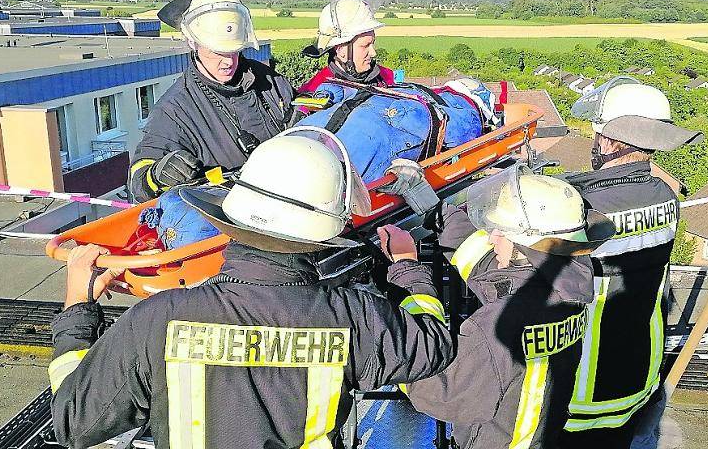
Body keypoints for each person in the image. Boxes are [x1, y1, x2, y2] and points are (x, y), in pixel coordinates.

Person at [49, 127, 455, 448]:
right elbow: (433, 345)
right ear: (328, 230)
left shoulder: (157, 320)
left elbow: (72, 422)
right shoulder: (353, 317)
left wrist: (77, 309)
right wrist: (407, 266)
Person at [398, 163, 616, 448]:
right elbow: (479, 257)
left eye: (500, 231)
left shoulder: (500, 323)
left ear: (524, 244)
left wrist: (409, 273)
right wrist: (430, 205)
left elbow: (438, 389)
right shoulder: (571, 278)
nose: (491, 238)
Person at [558, 76, 703, 448]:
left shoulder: (581, 208)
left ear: (608, 141)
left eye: (596, 136)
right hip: (638, 376)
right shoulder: (664, 197)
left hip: (582, 390)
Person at [128, 0, 294, 202]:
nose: (228, 61)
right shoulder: (174, 109)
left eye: (234, 51)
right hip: (229, 216)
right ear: (193, 43)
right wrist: (156, 176)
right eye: (217, 52)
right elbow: (138, 180)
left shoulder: (268, 80)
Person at [298, 0, 395, 96]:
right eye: (365, 45)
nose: (373, 53)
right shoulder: (314, 94)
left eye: (373, 43)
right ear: (340, 49)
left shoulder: (386, 77)